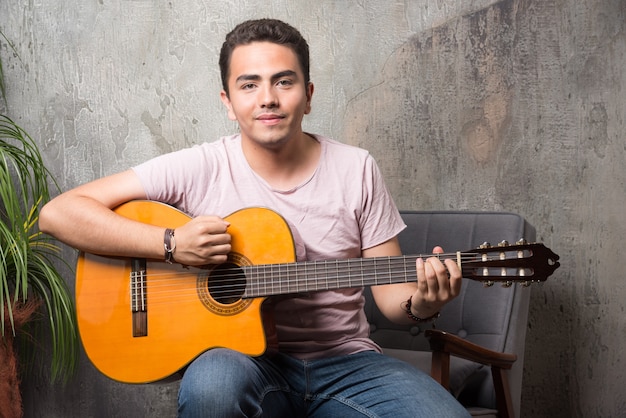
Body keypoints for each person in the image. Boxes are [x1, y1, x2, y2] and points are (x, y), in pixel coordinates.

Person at [40, 18, 470, 417]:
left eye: (284, 81)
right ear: (228, 102)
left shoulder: (356, 168)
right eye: (249, 85)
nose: (268, 98)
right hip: (244, 363)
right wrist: (170, 244)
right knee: (212, 385)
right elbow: (59, 214)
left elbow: (393, 301)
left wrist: (422, 304)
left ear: (309, 95)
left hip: (347, 364)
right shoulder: (199, 167)